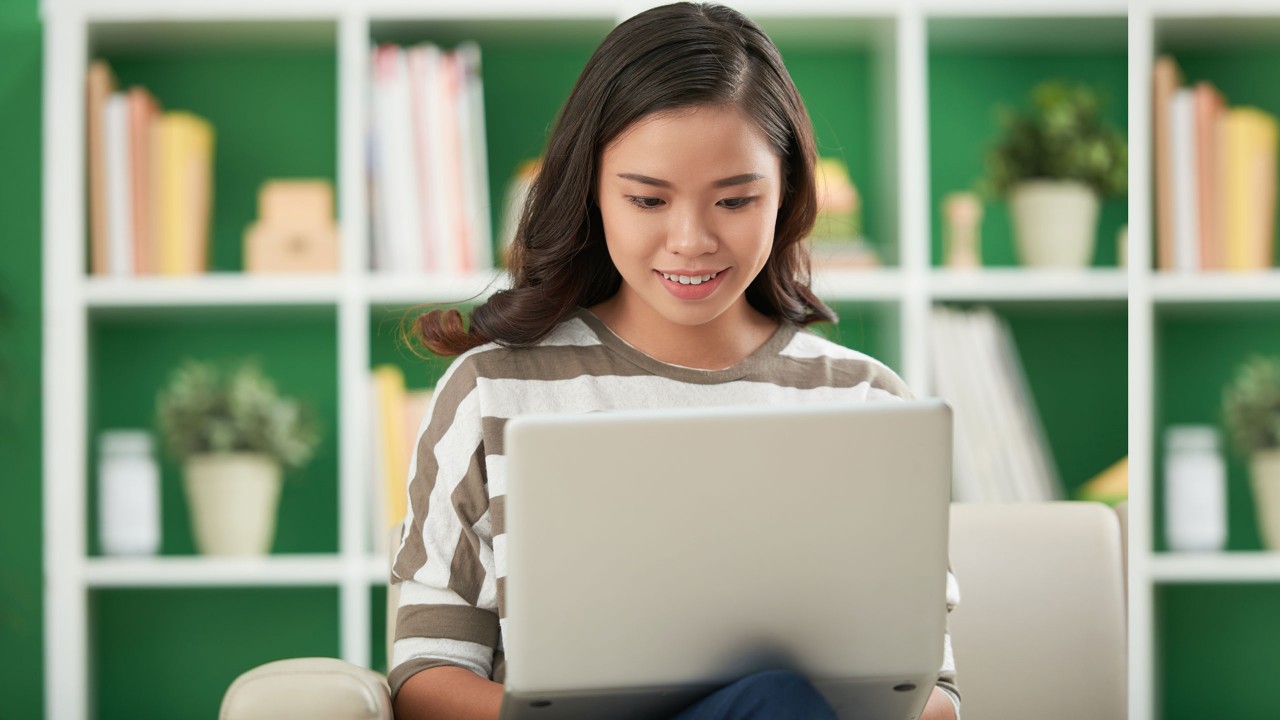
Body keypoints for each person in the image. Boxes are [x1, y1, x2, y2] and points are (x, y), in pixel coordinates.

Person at [389, 4, 960, 719]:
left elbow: (929, 694)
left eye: (735, 199)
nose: (690, 240)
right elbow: (424, 680)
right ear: (592, 193)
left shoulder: (867, 404)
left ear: (785, 194)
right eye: (648, 199)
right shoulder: (493, 391)